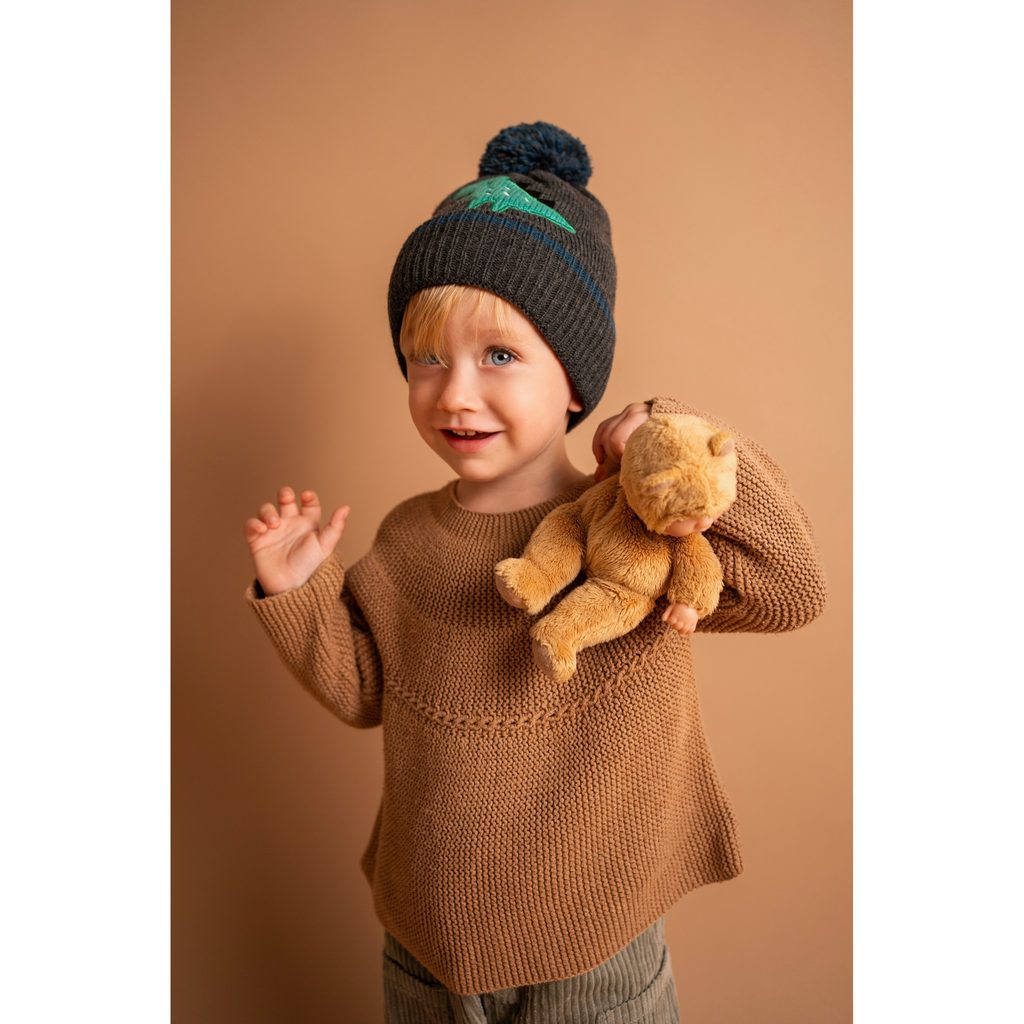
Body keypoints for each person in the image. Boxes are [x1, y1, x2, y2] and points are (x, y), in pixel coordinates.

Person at [242, 121, 828, 1023]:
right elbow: (366, 692)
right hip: (426, 950)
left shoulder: (640, 526)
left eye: (500, 356)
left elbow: (792, 588)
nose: (455, 392)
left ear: (576, 382)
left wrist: (666, 431)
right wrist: (300, 592)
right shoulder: (407, 538)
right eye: (426, 359)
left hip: (595, 958)